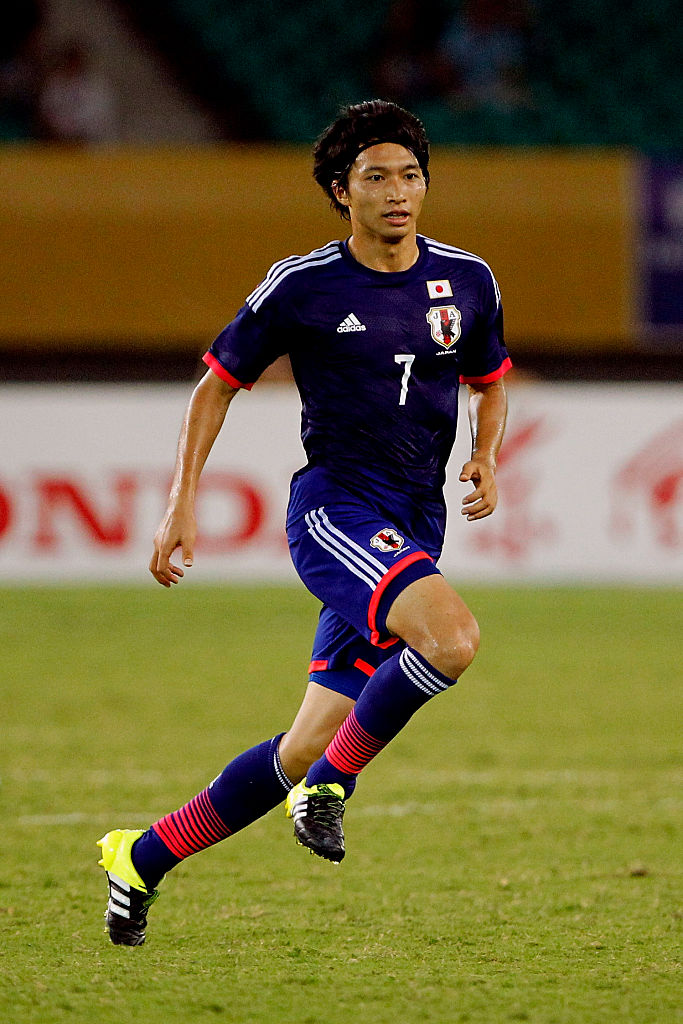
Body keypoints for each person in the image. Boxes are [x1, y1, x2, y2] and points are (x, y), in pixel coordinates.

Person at [97, 99, 511, 946]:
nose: (397, 193)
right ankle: (331, 787)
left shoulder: (467, 279)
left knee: (301, 744)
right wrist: (180, 502)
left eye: (410, 176)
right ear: (339, 192)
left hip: (414, 520)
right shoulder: (302, 285)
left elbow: (490, 379)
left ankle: (141, 856)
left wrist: (485, 453)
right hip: (335, 511)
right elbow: (214, 386)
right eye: (375, 178)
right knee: (451, 639)